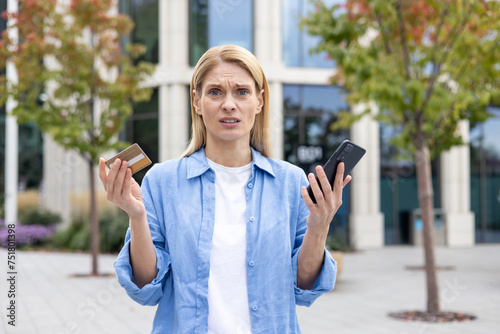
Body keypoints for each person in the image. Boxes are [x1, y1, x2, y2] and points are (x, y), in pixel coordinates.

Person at [98, 44, 351, 334]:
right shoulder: (161, 181)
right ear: (196, 101)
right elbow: (146, 287)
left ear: (259, 100)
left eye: (242, 92)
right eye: (215, 92)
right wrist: (137, 216)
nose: (228, 104)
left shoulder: (291, 183)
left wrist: (319, 226)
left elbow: (304, 287)